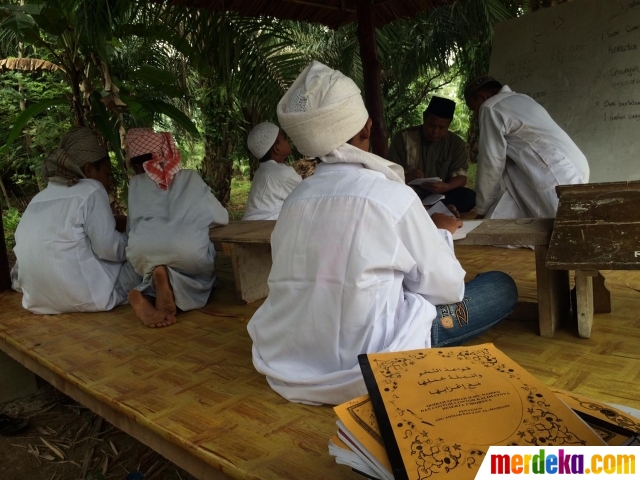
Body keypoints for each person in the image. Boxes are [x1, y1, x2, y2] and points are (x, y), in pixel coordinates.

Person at [247, 61, 518, 406]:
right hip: (376, 363)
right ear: (367, 128)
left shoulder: (294, 200)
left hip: (290, 358)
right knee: (499, 286)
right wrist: (440, 235)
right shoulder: (391, 197)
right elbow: (447, 288)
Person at [11, 127, 130, 314]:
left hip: (37, 300)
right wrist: (133, 239)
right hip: (86, 298)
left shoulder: (39, 198)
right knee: (143, 262)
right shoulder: (92, 188)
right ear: (88, 168)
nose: (109, 182)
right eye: (107, 174)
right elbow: (109, 249)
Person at [125, 128, 229, 328]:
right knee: (203, 278)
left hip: (142, 253)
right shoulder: (190, 178)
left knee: (150, 267)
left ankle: (149, 288)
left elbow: (132, 227)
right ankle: (167, 282)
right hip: (186, 253)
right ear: (168, 151)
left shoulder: (135, 185)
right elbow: (221, 217)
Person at [464, 75, 590, 219]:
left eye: (474, 109)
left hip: (555, 172)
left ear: (482, 97)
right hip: (571, 165)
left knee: (566, 229)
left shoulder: (490, 106)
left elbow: (491, 162)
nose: (476, 114)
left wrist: (482, 209)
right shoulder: (522, 99)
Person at [387, 96, 476, 213]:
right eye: (432, 125)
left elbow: (461, 178)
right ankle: (439, 210)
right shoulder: (403, 138)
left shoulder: (456, 143)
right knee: (391, 194)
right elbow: (389, 174)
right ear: (424, 118)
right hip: (411, 192)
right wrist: (407, 177)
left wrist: (446, 186)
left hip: (441, 194)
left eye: (441, 127)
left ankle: (426, 209)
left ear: (449, 125)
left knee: (469, 196)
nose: (435, 131)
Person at [242, 122, 302, 220]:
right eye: (284, 138)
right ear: (277, 149)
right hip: (264, 230)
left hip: (249, 226)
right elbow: (308, 193)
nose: (288, 140)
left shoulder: (261, 171)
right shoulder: (283, 174)